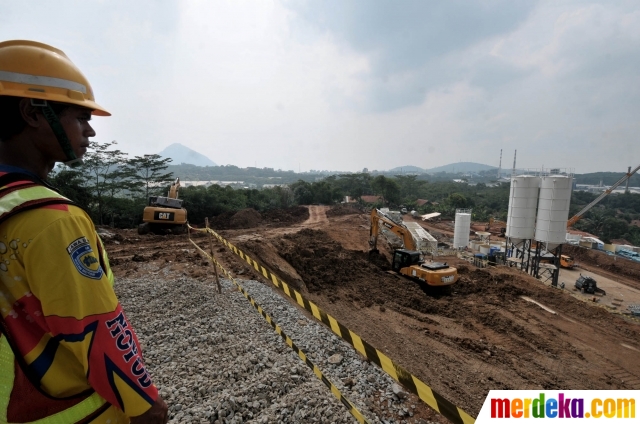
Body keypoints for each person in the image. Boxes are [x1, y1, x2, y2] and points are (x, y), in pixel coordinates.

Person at [0, 40, 168, 423]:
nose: (90, 131)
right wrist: (147, 406)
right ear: (32, 112)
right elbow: (95, 331)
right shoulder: (53, 220)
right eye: (80, 117)